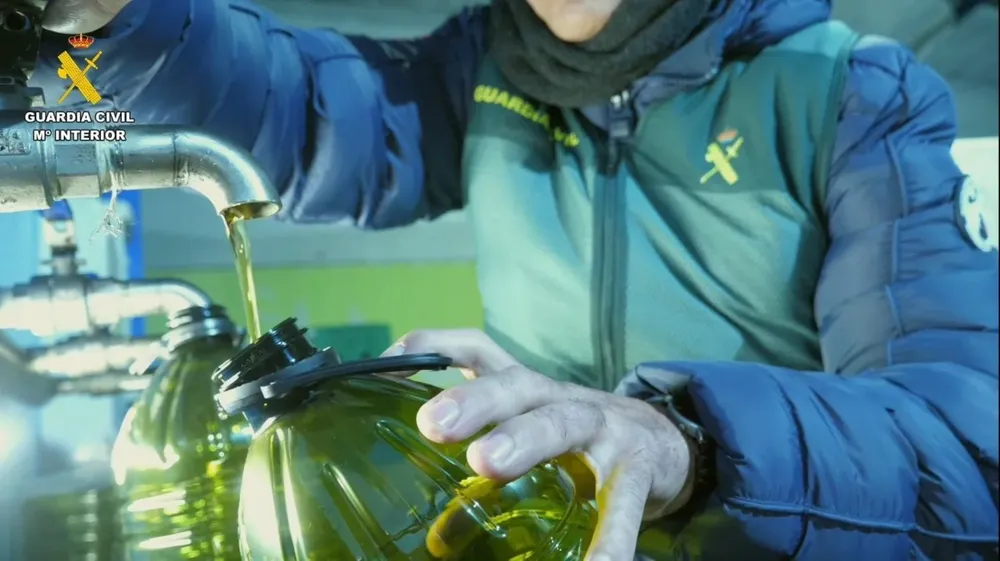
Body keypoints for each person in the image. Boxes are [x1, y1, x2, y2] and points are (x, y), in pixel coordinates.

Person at [36, 0, 998, 559]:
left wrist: (682, 442)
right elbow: (304, 106)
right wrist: (124, 19)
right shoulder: (486, 68)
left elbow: (959, 453)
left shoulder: (853, 93)